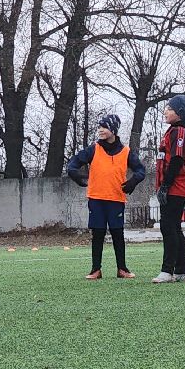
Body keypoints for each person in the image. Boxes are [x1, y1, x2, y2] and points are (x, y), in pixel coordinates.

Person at [67, 114, 146, 279]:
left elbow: (141, 170)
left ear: (113, 130)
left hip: (116, 199)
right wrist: (75, 174)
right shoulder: (93, 149)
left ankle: (122, 269)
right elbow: (73, 164)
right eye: (99, 127)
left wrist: (133, 181)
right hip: (96, 198)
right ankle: (96, 269)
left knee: (118, 234)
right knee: (98, 233)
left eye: (105, 127)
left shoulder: (126, 152)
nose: (101, 130)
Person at [154, 95, 185, 283]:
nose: (165, 111)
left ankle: (167, 270)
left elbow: (177, 160)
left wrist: (165, 185)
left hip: (176, 186)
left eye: (169, 108)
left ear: (179, 113)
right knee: (174, 227)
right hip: (174, 185)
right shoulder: (172, 131)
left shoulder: (180, 132)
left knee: (168, 226)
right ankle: (182, 270)